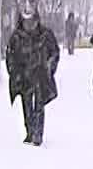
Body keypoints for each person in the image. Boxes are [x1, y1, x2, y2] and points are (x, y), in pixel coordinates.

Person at [5, 10, 60, 146]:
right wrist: (13, 72)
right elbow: (10, 56)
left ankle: (38, 133)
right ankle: (29, 130)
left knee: (39, 104)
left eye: (32, 22)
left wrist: (49, 66)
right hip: (24, 76)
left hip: (40, 75)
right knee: (27, 104)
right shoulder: (16, 37)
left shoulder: (45, 35)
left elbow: (55, 52)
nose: (29, 25)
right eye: (26, 22)